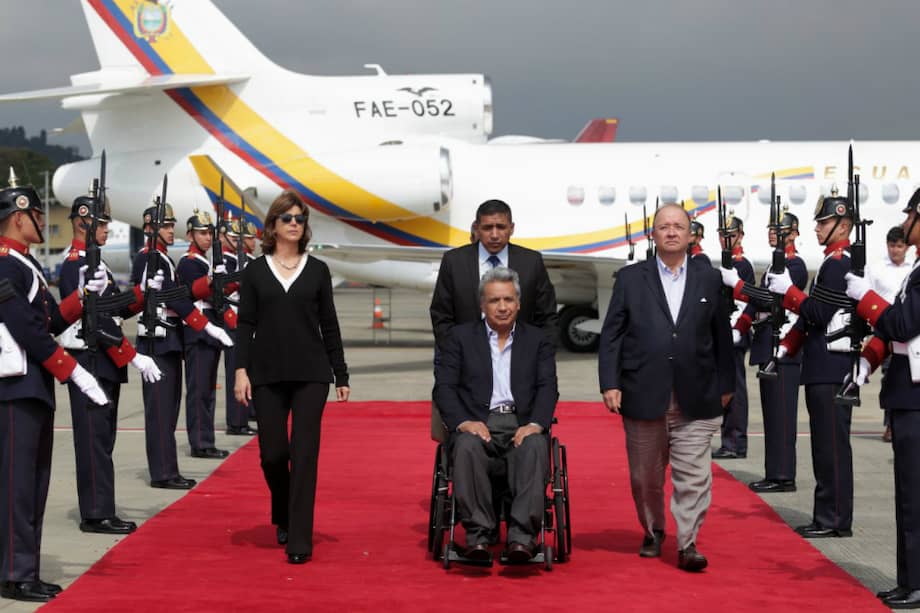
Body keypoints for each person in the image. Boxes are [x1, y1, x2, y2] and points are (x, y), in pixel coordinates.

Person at [598, 203, 734, 572]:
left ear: (691, 235)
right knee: (646, 477)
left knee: (694, 476)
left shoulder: (709, 279)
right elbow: (611, 335)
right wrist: (609, 383)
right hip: (643, 392)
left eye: (678, 226)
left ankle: (687, 542)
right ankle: (653, 529)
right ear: (652, 235)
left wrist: (727, 384)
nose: (671, 232)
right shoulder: (630, 279)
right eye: (664, 227)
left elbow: (722, 336)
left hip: (697, 394)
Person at [0, 172, 109, 602]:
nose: (43, 218)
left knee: (33, 483)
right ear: (16, 218)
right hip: (16, 391)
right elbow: (28, 329)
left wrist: (82, 298)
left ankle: (21, 566)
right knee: (19, 486)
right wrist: (74, 372)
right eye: (35, 212)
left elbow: (48, 322)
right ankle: (15, 572)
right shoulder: (6, 263)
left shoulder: (22, 262)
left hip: (32, 387)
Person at [234, 191, 350, 564]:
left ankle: (299, 538)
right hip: (266, 374)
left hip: (311, 375)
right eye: (288, 218)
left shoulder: (317, 270)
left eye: (300, 218)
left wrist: (340, 372)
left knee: (304, 454)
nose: (295, 223)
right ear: (273, 225)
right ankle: (283, 512)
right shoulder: (254, 271)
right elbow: (245, 325)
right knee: (273, 455)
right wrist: (239, 370)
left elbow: (329, 324)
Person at [434, 266, 557, 564]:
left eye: (508, 299)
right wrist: (463, 422)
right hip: (479, 421)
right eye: (494, 301)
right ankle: (478, 536)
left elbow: (547, 388)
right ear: (481, 304)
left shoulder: (537, 339)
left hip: (520, 422)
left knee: (536, 446)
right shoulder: (460, 338)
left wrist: (535, 424)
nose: (502, 307)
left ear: (518, 303)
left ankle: (522, 538)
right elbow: (444, 389)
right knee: (465, 446)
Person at [58, 195, 163, 534]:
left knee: (102, 439)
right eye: (101, 224)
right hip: (90, 357)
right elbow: (98, 321)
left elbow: (114, 308)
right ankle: (95, 513)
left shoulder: (97, 264)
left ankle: (103, 507)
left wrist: (141, 293)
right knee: (93, 440)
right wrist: (132, 355)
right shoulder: (76, 263)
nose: (106, 229)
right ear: (82, 223)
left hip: (104, 357)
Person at [842, 188, 920, 608]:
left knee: (915, 495)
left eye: (911, 214)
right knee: (908, 495)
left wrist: (865, 299)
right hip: (907, 393)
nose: (905, 221)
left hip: (916, 396)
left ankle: (916, 582)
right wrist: (870, 359)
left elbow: (904, 324)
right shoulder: (916, 269)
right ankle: (909, 580)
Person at [767, 189, 855, 538]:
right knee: (823, 445)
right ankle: (826, 515)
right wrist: (788, 346)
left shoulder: (839, 265)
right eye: (818, 223)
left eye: (825, 222)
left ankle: (834, 519)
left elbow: (818, 313)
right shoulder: (831, 263)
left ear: (844, 225)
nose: (818, 228)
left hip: (831, 367)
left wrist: (789, 291)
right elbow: (809, 319)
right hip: (821, 367)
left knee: (832, 446)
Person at [130, 202, 233, 489]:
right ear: (150, 228)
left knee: (168, 411)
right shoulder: (148, 258)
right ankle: (162, 472)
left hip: (170, 341)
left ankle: (168, 469)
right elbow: (173, 297)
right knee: (161, 412)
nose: (170, 230)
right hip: (157, 343)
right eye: (165, 225)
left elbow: (178, 294)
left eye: (171, 225)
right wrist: (205, 324)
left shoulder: (163, 259)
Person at [722, 209, 807, 492]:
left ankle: (783, 476)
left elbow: (772, 300)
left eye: (779, 229)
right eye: (772, 228)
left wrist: (740, 286)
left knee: (782, 416)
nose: (773, 232)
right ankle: (775, 472)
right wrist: (742, 323)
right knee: (772, 415)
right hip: (769, 347)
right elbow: (758, 302)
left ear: (794, 233)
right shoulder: (775, 265)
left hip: (784, 348)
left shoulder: (795, 266)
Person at [430, 199, 557, 353]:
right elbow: (441, 315)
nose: (495, 235)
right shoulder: (454, 262)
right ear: (476, 229)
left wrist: (540, 356)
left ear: (512, 228)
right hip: (466, 361)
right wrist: (455, 355)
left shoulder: (531, 262)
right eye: (488, 228)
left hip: (519, 361)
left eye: (501, 227)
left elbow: (547, 316)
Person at [176, 210, 232, 459]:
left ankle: (206, 439)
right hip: (198, 329)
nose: (207, 237)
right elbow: (199, 293)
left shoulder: (204, 263)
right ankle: (199, 442)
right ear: (190, 235)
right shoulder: (189, 262)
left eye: (210, 233)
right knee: (199, 389)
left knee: (208, 388)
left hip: (210, 328)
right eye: (202, 233)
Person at [712, 216, 755, 459]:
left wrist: (737, 329)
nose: (724, 238)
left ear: (740, 235)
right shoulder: (727, 263)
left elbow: (746, 301)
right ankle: (729, 440)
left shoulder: (742, 264)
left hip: (735, 333)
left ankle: (736, 442)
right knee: (726, 387)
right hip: (725, 332)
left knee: (735, 389)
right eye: (721, 234)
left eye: (729, 234)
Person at [866, 225, 912, 443]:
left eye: (900, 246)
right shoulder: (876, 269)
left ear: (907, 247)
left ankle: (897, 424)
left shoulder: (913, 270)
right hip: (884, 328)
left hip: (908, 330)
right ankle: (890, 424)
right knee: (889, 378)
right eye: (892, 246)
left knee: (905, 377)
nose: (896, 250)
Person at [219, 217, 255, 436]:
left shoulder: (240, 259)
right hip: (233, 321)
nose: (237, 242)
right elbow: (222, 293)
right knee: (236, 373)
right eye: (233, 238)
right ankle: (237, 422)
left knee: (246, 370)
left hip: (243, 320)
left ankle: (245, 415)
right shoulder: (224, 261)